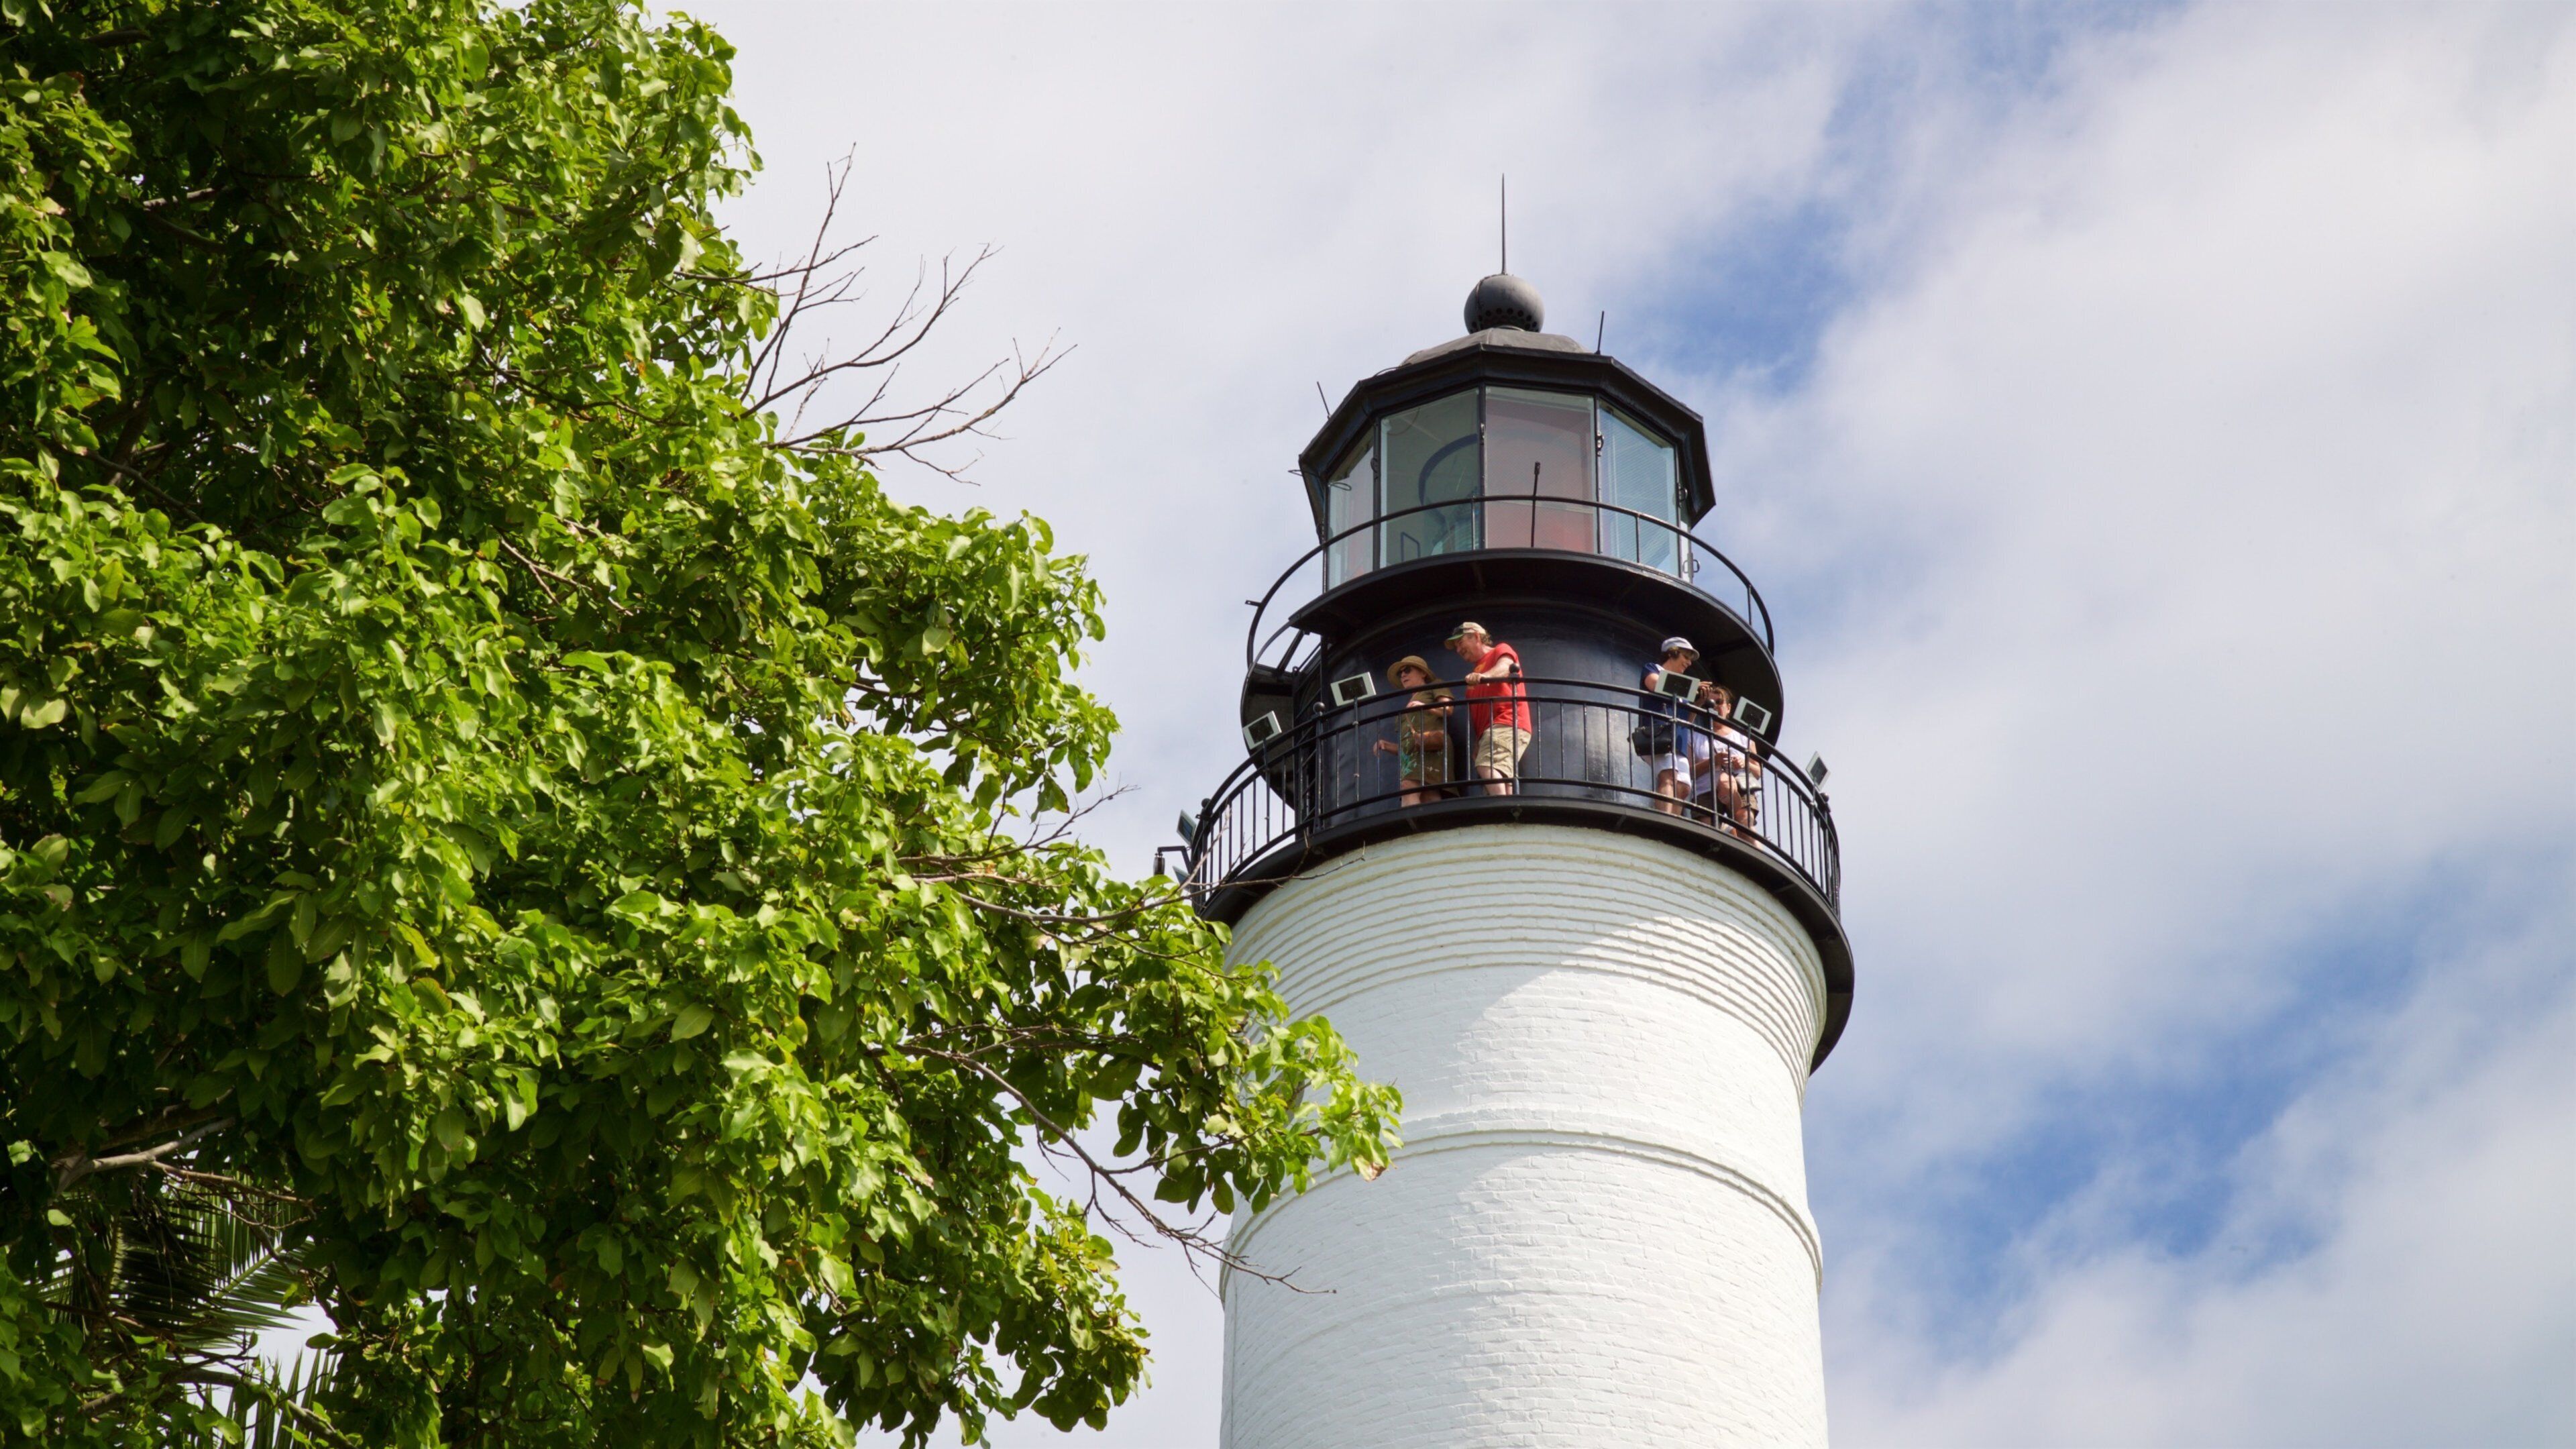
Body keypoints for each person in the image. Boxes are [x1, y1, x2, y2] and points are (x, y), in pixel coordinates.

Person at [1446, 621, 1529, 796]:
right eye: (1456, 646)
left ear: (1476, 636)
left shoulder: (1500, 650)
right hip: (1491, 730)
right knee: (1502, 771)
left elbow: (1506, 667)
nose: (1458, 650)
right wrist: (1478, 741)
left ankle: (1503, 806)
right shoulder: (1475, 674)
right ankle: (1508, 806)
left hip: (1507, 721)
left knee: (1486, 765)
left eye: (1460, 643)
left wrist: (1485, 676)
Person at [1639, 636, 1716, 817]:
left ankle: (1672, 819)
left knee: (1683, 787)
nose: (1689, 663)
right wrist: (1690, 687)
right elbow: (1655, 685)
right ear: (1673, 652)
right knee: (1669, 777)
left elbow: (1686, 721)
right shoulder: (1652, 669)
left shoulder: (1682, 692)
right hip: (1658, 735)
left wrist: (1698, 702)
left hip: (1677, 742)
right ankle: (1665, 820)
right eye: (1686, 656)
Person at [1372, 655, 1453, 806]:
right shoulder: (1410, 703)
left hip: (1431, 749)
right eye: (1400, 673)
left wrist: (1424, 706)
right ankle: (1434, 826)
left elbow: (1447, 709)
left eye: (1407, 670)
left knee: (1408, 787)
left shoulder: (1434, 686)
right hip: (1414, 754)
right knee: (1429, 794)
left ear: (1423, 673)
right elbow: (1408, 745)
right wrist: (1386, 745)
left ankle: (1410, 822)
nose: (1403, 675)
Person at [1704, 682, 1764, 840]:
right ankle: (1735, 832)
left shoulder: (1744, 738)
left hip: (1742, 783)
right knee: (1707, 830)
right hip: (1710, 786)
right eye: (1710, 703)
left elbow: (1758, 772)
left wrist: (1745, 762)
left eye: (1719, 702)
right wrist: (1715, 761)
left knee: (1745, 821)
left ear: (1729, 708)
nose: (1715, 706)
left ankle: (1753, 853)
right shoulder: (1700, 736)